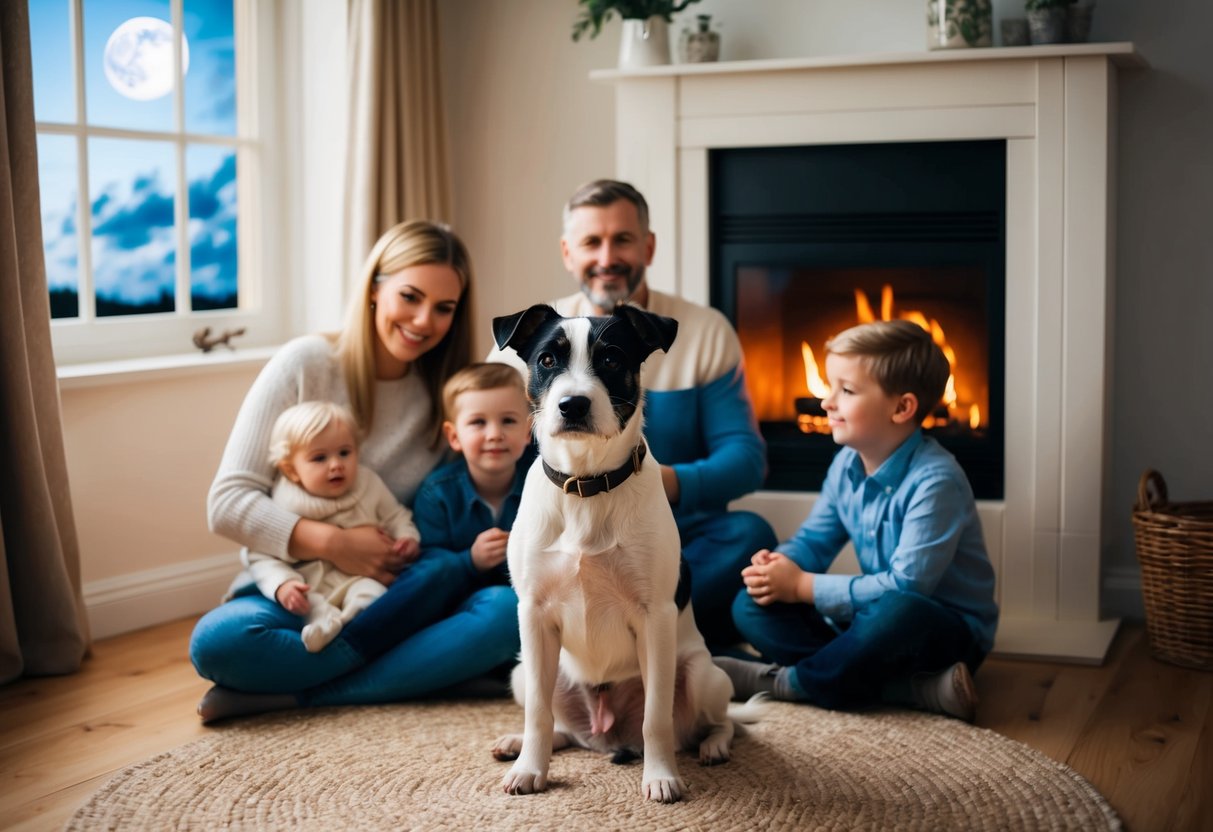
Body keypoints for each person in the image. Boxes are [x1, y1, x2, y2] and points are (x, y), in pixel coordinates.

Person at [190, 220, 519, 723]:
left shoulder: (449, 397)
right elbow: (227, 503)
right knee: (219, 643)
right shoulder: (307, 363)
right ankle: (421, 674)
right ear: (374, 288)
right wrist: (333, 543)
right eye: (410, 296)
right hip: (303, 589)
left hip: (397, 601)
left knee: (505, 613)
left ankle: (293, 696)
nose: (424, 320)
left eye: (444, 308)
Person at [490, 179, 777, 650]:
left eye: (622, 239)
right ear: (567, 252)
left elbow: (746, 459)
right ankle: (667, 645)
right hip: (561, 517)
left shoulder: (705, 330)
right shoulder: (541, 334)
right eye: (591, 242)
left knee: (748, 534)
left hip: (673, 525)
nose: (607, 257)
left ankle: (676, 643)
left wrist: (650, 479)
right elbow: (483, 431)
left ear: (648, 246)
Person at [713, 320, 999, 722]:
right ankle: (910, 690)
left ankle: (783, 683)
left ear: (902, 408)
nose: (826, 402)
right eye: (831, 388)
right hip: (866, 624)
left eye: (845, 391)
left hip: (938, 632)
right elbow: (815, 541)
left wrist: (803, 586)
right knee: (750, 605)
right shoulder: (846, 465)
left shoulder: (936, 482)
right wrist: (779, 568)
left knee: (897, 609)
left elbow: (906, 587)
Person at [247, 401, 421, 653]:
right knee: (309, 608)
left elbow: (396, 515)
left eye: (344, 453)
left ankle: (346, 626)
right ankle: (325, 627)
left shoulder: (368, 484)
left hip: (360, 579)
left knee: (373, 596)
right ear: (291, 470)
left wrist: (407, 537)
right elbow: (260, 555)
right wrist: (282, 585)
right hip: (310, 586)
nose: (336, 464)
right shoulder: (283, 503)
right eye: (319, 458)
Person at [412, 363, 535, 590]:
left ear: (528, 430)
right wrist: (471, 560)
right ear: (454, 436)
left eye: (508, 421)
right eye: (478, 422)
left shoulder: (543, 484)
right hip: (462, 601)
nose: (495, 435)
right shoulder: (437, 494)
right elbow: (428, 570)